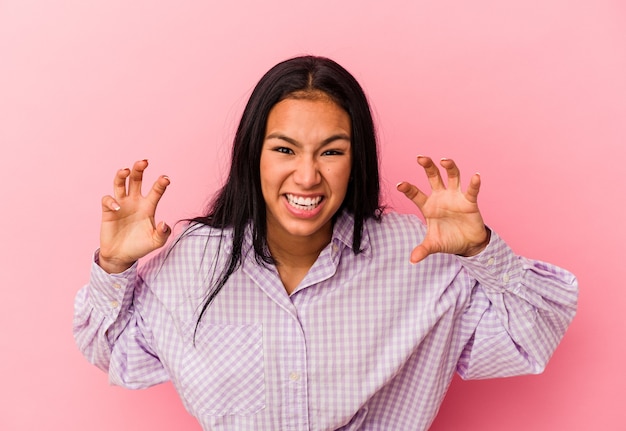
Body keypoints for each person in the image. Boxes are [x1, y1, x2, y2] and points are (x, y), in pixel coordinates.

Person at [73, 55, 578, 431]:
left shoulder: (421, 257)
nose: (307, 175)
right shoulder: (192, 257)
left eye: (331, 151)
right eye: (285, 149)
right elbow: (113, 352)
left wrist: (480, 252)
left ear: (356, 160)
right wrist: (113, 267)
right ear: (254, 156)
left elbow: (529, 340)